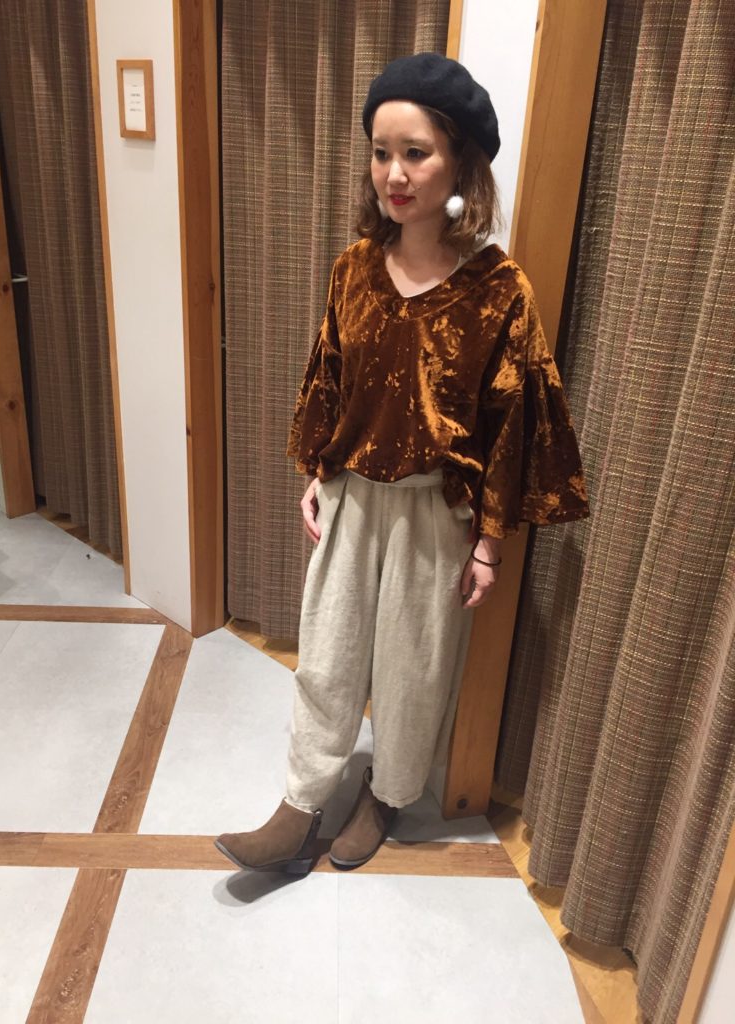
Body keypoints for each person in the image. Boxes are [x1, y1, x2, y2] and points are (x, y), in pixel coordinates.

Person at [215, 52, 590, 876]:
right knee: (329, 657)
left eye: (415, 153)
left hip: (434, 513)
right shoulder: (353, 268)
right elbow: (330, 377)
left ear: (459, 161)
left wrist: (489, 543)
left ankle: (385, 796)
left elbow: (512, 426)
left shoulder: (499, 291)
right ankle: (301, 804)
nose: (394, 173)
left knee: (415, 668)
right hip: (352, 497)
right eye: (381, 153)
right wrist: (316, 472)